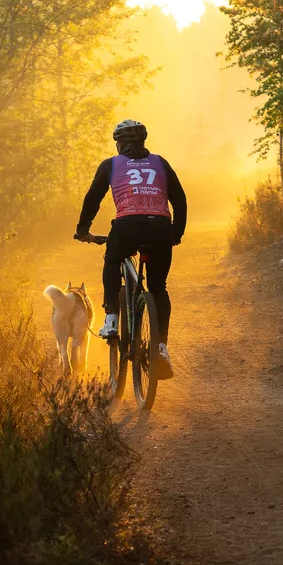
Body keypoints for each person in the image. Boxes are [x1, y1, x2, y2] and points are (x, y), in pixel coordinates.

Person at [74, 119, 187, 378]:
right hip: (160, 227)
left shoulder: (111, 165)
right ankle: (161, 348)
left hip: (127, 226)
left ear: (119, 144)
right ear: (143, 142)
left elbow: (92, 199)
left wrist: (83, 230)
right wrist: (176, 234)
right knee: (158, 288)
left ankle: (112, 318)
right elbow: (180, 200)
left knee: (113, 260)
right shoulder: (161, 163)